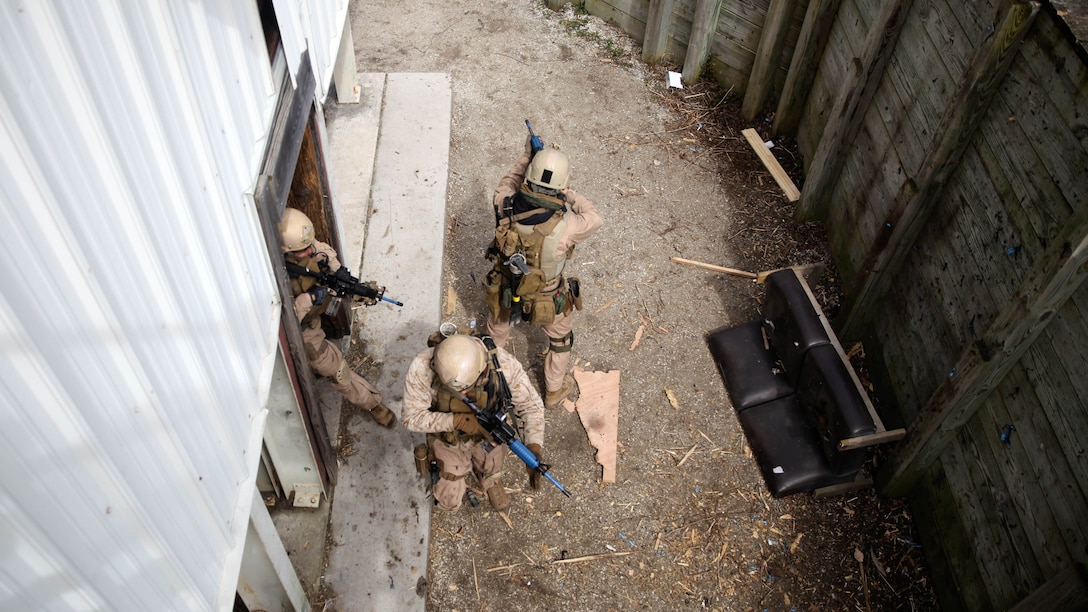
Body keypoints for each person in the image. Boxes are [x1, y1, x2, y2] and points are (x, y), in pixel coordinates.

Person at [485, 139, 603, 408]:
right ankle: (552, 390)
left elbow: (509, 181)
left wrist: (528, 156)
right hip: (548, 296)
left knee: (496, 330)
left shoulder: (503, 203)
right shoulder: (569, 225)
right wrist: (569, 193)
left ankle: (488, 378)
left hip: (506, 287)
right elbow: (595, 217)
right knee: (560, 340)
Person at [278, 207, 397, 428]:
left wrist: (338, 272)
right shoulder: (274, 274)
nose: (308, 251)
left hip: (315, 315)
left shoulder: (304, 248)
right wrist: (307, 299)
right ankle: (372, 403)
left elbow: (320, 249)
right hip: (299, 329)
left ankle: (371, 402)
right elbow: (281, 322)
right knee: (334, 370)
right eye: (302, 250)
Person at [401, 333, 545, 511]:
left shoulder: (503, 366)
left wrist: (533, 448)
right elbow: (411, 418)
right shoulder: (423, 366)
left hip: (487, 434)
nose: (463, 394)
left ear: (482, 368)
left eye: (466, 388)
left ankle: (489, 481)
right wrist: (456, 421)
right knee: (449, 493)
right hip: (447, 439)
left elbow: (531, 406)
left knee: (491, 464)